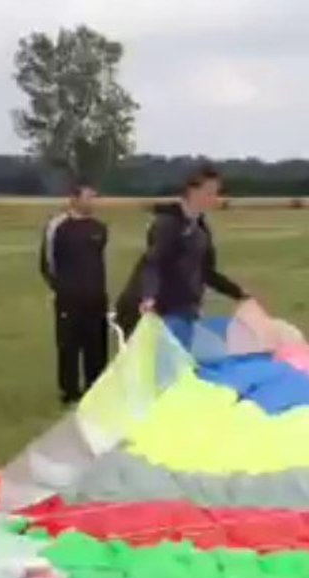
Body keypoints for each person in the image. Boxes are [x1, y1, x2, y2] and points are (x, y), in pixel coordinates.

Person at [115, 164, 252, 337]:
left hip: (183, 312)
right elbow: (153, 263)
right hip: (155, 312)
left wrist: (238, 293)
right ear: (192, 191)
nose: (214, 198)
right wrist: (149, 297)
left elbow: (207, 272)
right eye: (209, 192)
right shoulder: (167, 224)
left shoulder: (201, 229)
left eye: (216, 193)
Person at [39, 183, 109, 405]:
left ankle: (95, 388)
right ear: (74, 198)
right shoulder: (57, 227)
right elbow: (47, 263)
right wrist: (62, 288)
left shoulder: (100, 228)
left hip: (96, 299)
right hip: (69, 300)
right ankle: (69, 392)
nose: (92, 202)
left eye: (94, 197)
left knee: (96, 346)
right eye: (88, 197)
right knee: (68, 346)